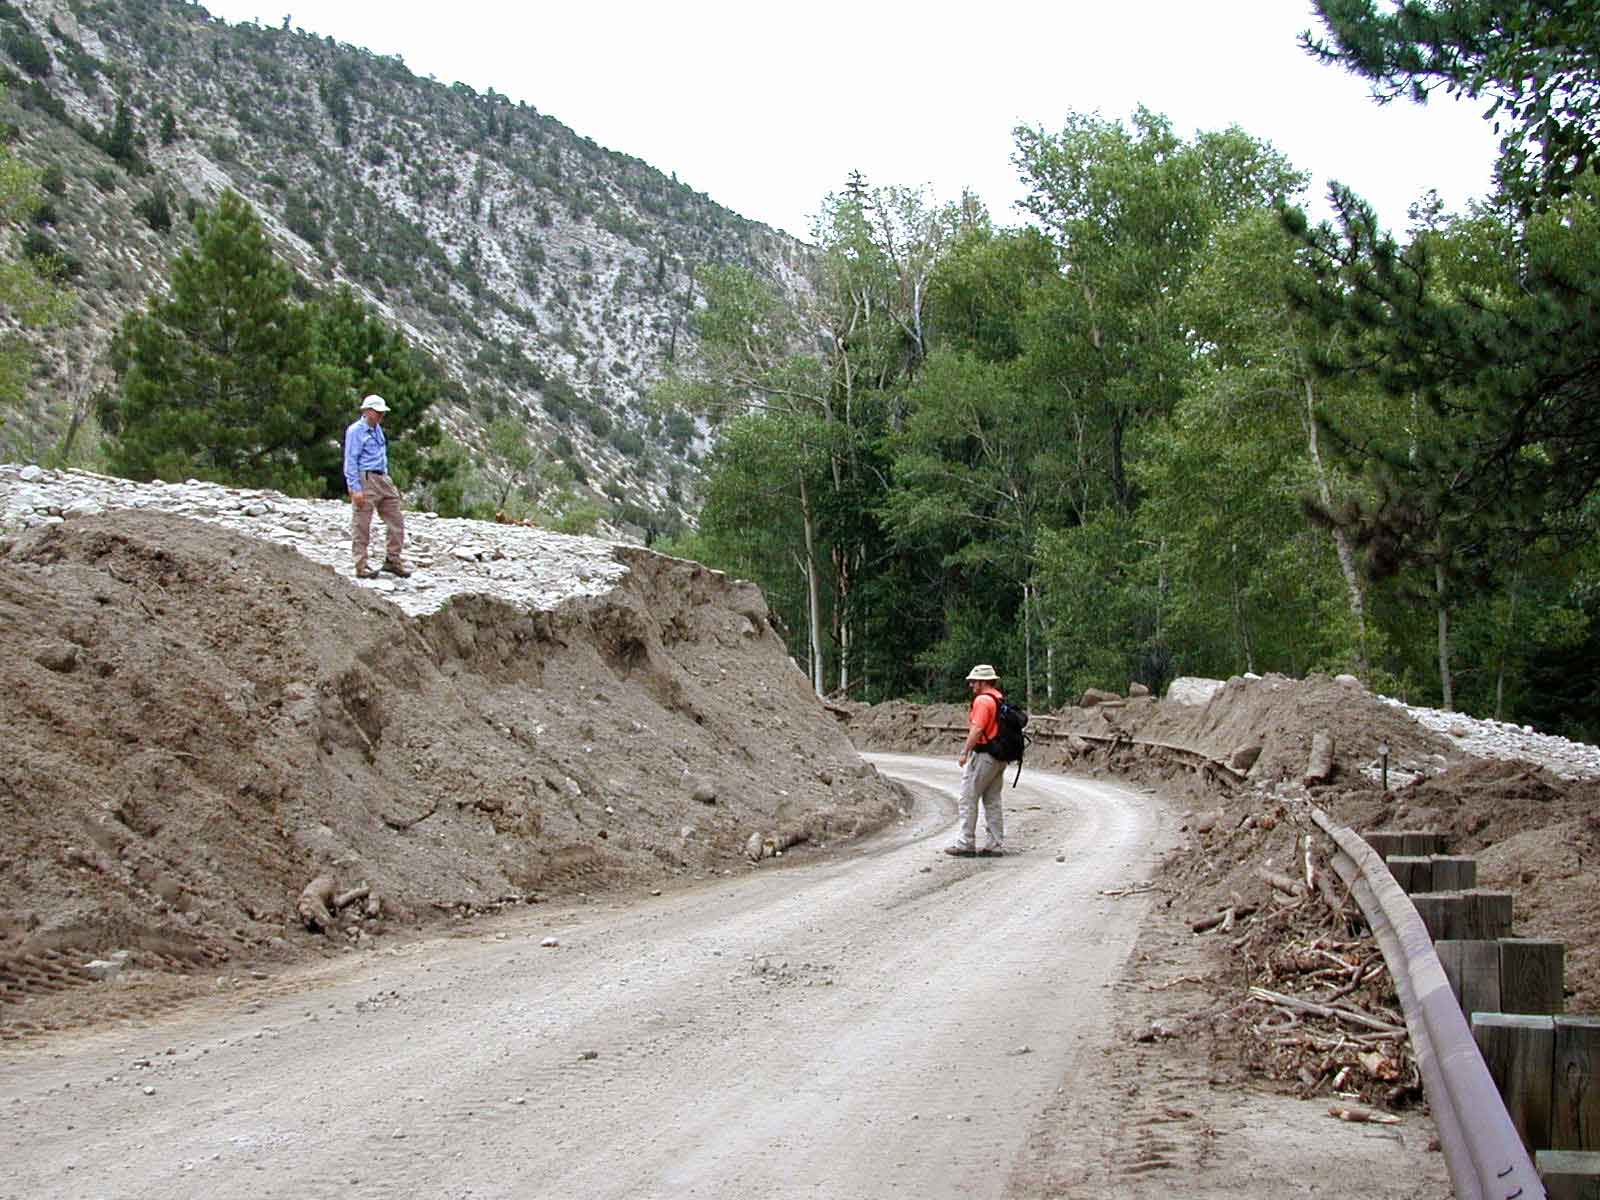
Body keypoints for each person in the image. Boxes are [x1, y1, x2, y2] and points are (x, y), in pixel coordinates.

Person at [343, 394, 411, 579]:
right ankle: (361, 565)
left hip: (382, 477)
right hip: (366, 478)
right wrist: (355, 488)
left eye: (382, 412)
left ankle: (393, 560)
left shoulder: (378, 429)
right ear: (367, 411)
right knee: (362, 523)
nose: (381, 415)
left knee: (396, 520)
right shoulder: (356, 431)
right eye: (378, 412)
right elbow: (351, 460)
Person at [946, 663, 1007, 858]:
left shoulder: (983, 700)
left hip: (984, 756)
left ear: (983, 681)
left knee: (967, 797)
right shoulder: (999, 698)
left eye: (973, 681)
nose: (971, 685)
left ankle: (965, 843)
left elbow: (978, 728)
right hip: (1000, 756)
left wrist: (965, 752)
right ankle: (995, 844)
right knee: (992, 800)